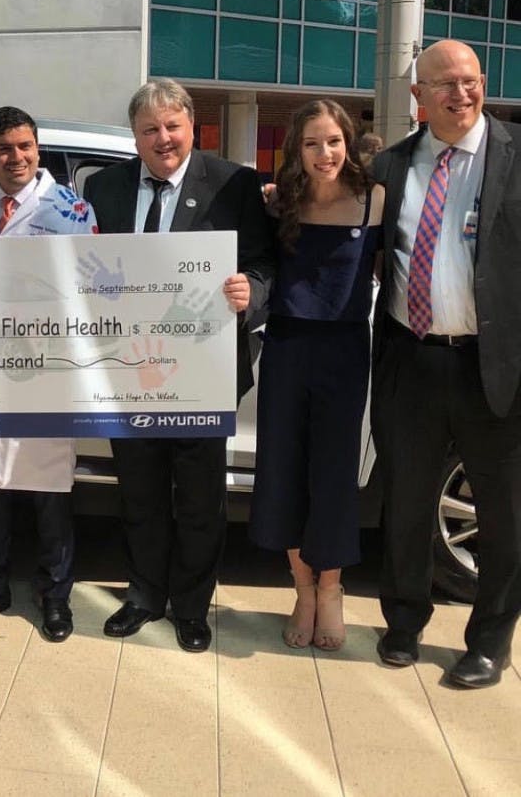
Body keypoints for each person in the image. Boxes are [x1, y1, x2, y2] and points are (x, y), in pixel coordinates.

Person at [83, 78, 274, 653]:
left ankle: (191, 606)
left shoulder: (233, 184)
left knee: (198, 500)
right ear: (135, 136)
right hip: (127, 368)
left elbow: (266, 263)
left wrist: (252, 291)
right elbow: (80, 262)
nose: (162, 138)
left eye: (172, 126)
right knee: (138, 492)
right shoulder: (103, 187)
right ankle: (144, 595)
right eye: (149, 129)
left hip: (201, 370)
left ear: (193, 126)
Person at [372, 39, 521, 688]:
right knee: (404, 502)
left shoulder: (516, 155)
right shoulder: (391, 166)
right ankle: (403, 621)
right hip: (413, 359)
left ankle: (489, 640)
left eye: (470, 81)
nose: (460, 94)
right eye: (444, 85)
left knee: (503, 510)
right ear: (418, 97)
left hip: (496, 368)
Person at [0, 106, 97, 644]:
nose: (17, 157)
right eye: (5, 148)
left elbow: (88, 287)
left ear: (39, 150)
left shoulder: (71, 208)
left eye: (26, 146)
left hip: (45, 367)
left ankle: (55, 596)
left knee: (50, 489)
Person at [248, 100, 383, 651]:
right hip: (286, 347)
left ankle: (332, 590)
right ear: (295, 151)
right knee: (283, 469)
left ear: (347, 143)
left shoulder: (375, 200)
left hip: (344, 352)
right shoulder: (278, 202)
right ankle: (301, 589)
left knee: (332, 473)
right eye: (311, 143)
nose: (323, 153)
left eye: (332, 141)